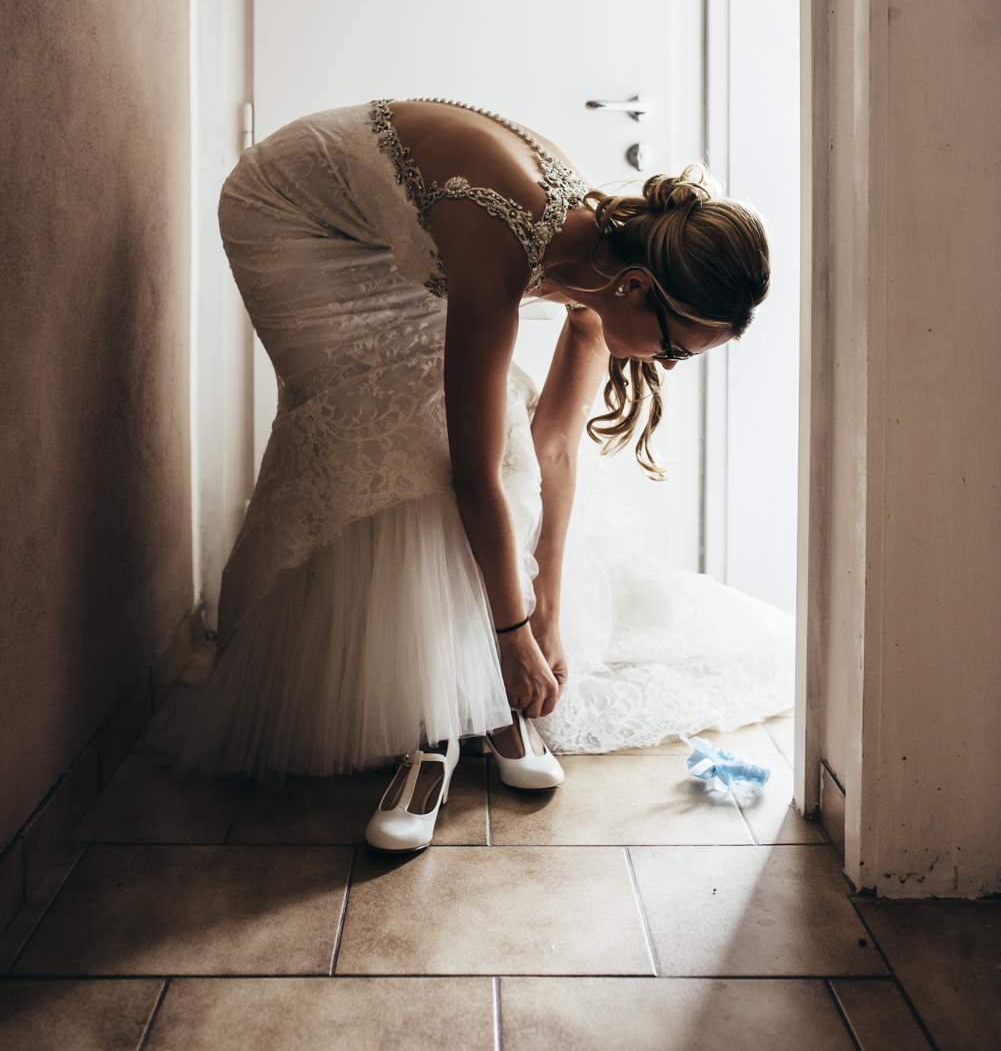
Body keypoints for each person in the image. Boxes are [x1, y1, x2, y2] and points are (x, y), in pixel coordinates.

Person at [153, 98, 787, 853]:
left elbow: (550, 448)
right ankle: (433, 725)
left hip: (391, 227)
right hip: (296, 219)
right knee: (405, 436)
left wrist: (546, 600)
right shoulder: (503, 238)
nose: (664, 368)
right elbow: (471, 473)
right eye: (675, 349)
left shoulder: (598, 271)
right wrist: (511, 636)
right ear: (638, 289)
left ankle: (473, 699)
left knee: (497, 435)